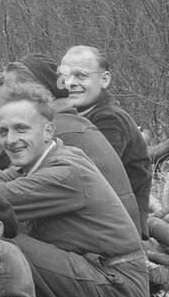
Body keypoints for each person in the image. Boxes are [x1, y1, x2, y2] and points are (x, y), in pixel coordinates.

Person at [0, 84, 149, 297]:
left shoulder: (65, 171)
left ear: (48, 131)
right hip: (94, 277)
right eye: (3, 131)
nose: (10, 140)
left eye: (21, 129)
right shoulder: (33, 164)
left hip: (117, 291)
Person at [0, 55, 140, 229]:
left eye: (11, 95)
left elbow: (4, 198)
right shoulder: (65, 124)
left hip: (97, 248)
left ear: (35, 95)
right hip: (85, 235)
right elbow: (7, 180)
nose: (0, 99)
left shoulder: (61, 133)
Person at [57, 45, 152, 230]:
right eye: (64, 75)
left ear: (105, 79)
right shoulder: (76, 115)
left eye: (81, 76)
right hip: (93, 217)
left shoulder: (110, 120)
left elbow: (84, 179)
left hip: (118, 229)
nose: (70, 83)